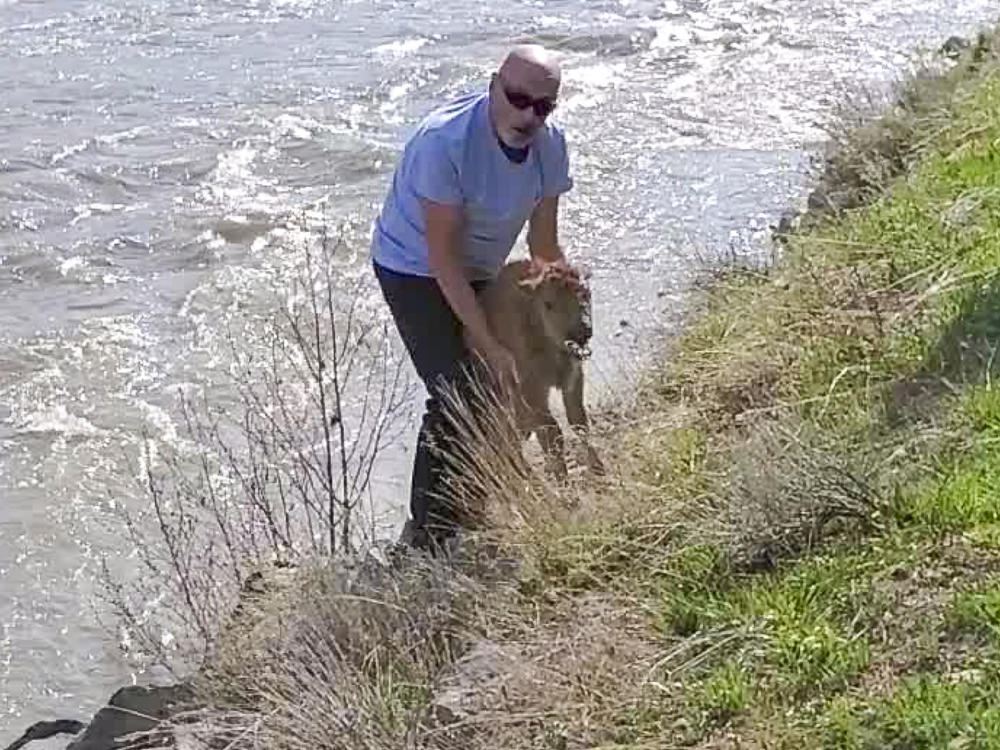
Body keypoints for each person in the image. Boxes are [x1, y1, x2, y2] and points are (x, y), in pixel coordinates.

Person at [370, 44, 573, 551]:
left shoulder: (550, 148)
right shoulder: (445, 143)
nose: (528, 114)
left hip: (482, 266)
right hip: (414, 266)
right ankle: (427, 537)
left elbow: (543, 246)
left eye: (542, 106)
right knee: (461, 387)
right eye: (518, 98)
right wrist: (488, 344)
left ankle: (475, 496)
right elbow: (444, 261)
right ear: (493, 86)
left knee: (521, 378)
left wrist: (566, 300)